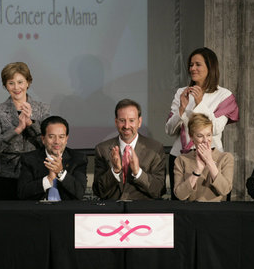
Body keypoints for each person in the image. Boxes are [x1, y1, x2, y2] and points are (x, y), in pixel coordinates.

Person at [165, 47, 239, 199]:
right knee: (180, 205)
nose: (193, 68)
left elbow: (217, 128)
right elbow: (169, 130)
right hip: (181, 158)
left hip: (212, 158)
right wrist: (181, 108)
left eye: (198, 64)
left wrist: (200, 104)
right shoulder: (181, 92)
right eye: (191, 65)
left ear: (210, 67)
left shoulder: (224, 95)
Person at [0, 62, 50, 200]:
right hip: (6, 174)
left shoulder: (42, 109)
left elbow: (48, 144)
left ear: (28, 82)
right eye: (11, 83)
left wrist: (30, 124)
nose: (16, 88)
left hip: (35, 173)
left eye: (20, 82)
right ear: (5, 86)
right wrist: (17, 130)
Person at [93, 99, 166, 200]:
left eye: (131, 120)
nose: (126, 126)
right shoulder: (102, 149)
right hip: (112, 212)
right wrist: (115, 171)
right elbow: (98, 191)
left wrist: (138, 173)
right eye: (122, 120)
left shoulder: (155, 149)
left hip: (143, 211)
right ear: (116, 122)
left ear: (139, 122)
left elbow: (159, 191)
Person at [18, 116, 87, 200]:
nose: (57, 141)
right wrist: (49, 179)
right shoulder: (29, 159)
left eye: (61, 137)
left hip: (67, 210)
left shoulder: (78, 158)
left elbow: (79, 193)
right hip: (38, 210)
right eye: (51, 137)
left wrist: (60, 173)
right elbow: (22, 193)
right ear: (43, 139)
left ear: (66, 139)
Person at [174, 113, 234, 201]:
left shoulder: (225, 158)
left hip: (217, 210)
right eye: (200, 136)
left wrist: (209, 162)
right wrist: (198, 171)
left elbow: (225, 190)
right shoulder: (181, 160)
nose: (205, 140)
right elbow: (180, 195)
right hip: (191, 210)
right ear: (191, 137)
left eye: (208, 135)